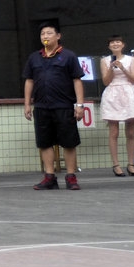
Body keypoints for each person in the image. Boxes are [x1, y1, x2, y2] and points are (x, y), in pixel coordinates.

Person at [23, 22, 85, 190]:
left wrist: (79, 104)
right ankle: (49, 177)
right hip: (42, 107)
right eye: (43, 33)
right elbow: (29, 81)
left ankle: (71, 176)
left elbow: (77, 80)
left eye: (49, 33)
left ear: (58, 36)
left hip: (64, 106)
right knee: (44, 142)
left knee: (69, 142)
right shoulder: (34, 57)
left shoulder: (68, 56)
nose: (45, 36)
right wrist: (27, 103)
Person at [100, 36, 134, 176]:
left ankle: (131, 164)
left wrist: (123, 68)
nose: (115, 44)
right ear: (109, 46)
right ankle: (116, 165)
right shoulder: (104, 60)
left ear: (123, 44)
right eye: (112, 42)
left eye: (118, 41)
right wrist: (111, 68)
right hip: (113, 93)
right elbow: (106, 82)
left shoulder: (131, 59)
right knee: (114, 132)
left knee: (131, 132)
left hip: (129, 93)